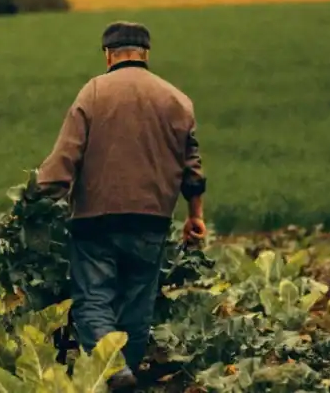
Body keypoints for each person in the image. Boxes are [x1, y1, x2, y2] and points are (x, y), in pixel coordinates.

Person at [36, 20, 207, 391]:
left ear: (108, 54)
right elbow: (192, 166)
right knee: (136, 305)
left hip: (94, 221)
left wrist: (39, 198)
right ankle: (125, 375)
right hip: (152, 220)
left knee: (93, 301)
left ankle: (114, 373)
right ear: (146, 53)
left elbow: (65, 156)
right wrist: (195, 215)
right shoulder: (176, 98)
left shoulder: (94, 92)